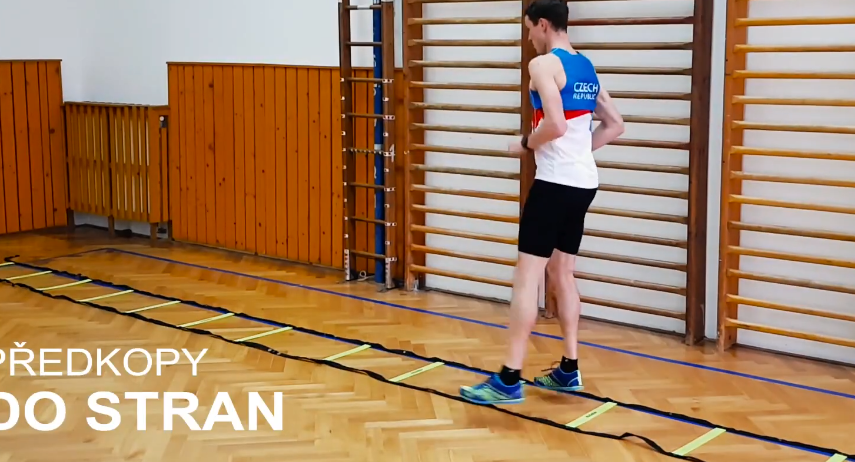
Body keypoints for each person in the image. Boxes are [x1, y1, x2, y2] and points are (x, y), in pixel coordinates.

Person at [459, 0, 624, 405]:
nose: (529, 36)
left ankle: (508, 378)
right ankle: (569, 367)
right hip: (583, 183)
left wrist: (526, 145)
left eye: (530, 28)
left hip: (553, 185)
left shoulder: (543, 65)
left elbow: (555, 124)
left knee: (527, 277)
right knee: (562, 272)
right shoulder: (585, 66)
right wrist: (577, 154)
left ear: (544, 25)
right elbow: (615, 125)